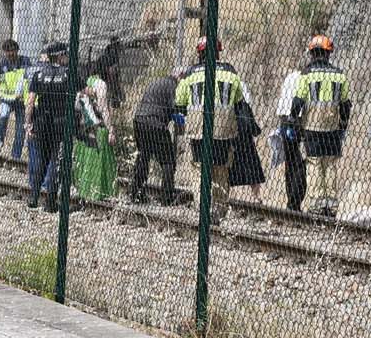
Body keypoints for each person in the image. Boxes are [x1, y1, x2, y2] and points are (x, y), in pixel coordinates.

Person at [173, 36, 251, 223]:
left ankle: (203, 208)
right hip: (224, 130)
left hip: (198, 128)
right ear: (218, 52)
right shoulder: (231, 75)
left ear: (199, 54)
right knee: (221, 168)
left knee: (199, 167)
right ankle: (219, 208)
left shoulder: (190, 75)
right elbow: (240, 104)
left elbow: (179, 103)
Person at [289, 34, 352, 218]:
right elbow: (346, 104)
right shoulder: (339, 75)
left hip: (312, 127)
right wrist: (343, 123)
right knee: (330, 163)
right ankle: (331, 206)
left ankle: (316, 205)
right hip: (332, 127)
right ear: (328, 53)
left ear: (312, 53)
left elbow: (298, 101)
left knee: (314, 163)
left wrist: (293, 120)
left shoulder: (307, 75)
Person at [23, 41, 73, 212]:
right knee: (56, 161)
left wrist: (28, 124)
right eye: (65, 54)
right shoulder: (68, 75)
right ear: (59, 56)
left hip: (41, 122)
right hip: (60, 123)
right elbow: (86, 92)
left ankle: (33, 197)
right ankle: (50, 203)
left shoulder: (38, 74)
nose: (67, 57)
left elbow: (30, 102)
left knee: (41, 161)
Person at [130, 70, 180, 204]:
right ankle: (167, 198)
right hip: (155, 123)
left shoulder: (157, 82)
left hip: (139, 120)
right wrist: (182, 118)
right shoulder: (172, 85)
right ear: (179, 77)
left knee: (144, 156)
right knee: (168, 161)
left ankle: (136, 193)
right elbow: (174, 107)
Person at [73, 63, 118, 201]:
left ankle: (83, 190)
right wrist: (111, 129)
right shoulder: (101, 84)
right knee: (100, 161)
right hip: (98, 128)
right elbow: (104, 109)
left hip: (83, 128)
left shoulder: (85, 81)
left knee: (85, 160)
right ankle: (99, 192)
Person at [0, 39, 29, 157]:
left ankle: (16, 155)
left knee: (20, 129)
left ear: (17, 51)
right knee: (3, 115)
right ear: (4, 52)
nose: (10, 54)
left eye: (12, 51)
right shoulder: (3, 62)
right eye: (7, 52)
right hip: (6, 98)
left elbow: (30, 78)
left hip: (21, 100)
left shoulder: (25, 61)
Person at [274, 67, 306, 212]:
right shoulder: (307, 78)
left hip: (285, 120)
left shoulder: (291, 76)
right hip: (299, 119)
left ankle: (291, 201)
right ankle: (295, 201)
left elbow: (282, 106)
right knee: (301, 164)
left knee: (291, 162)